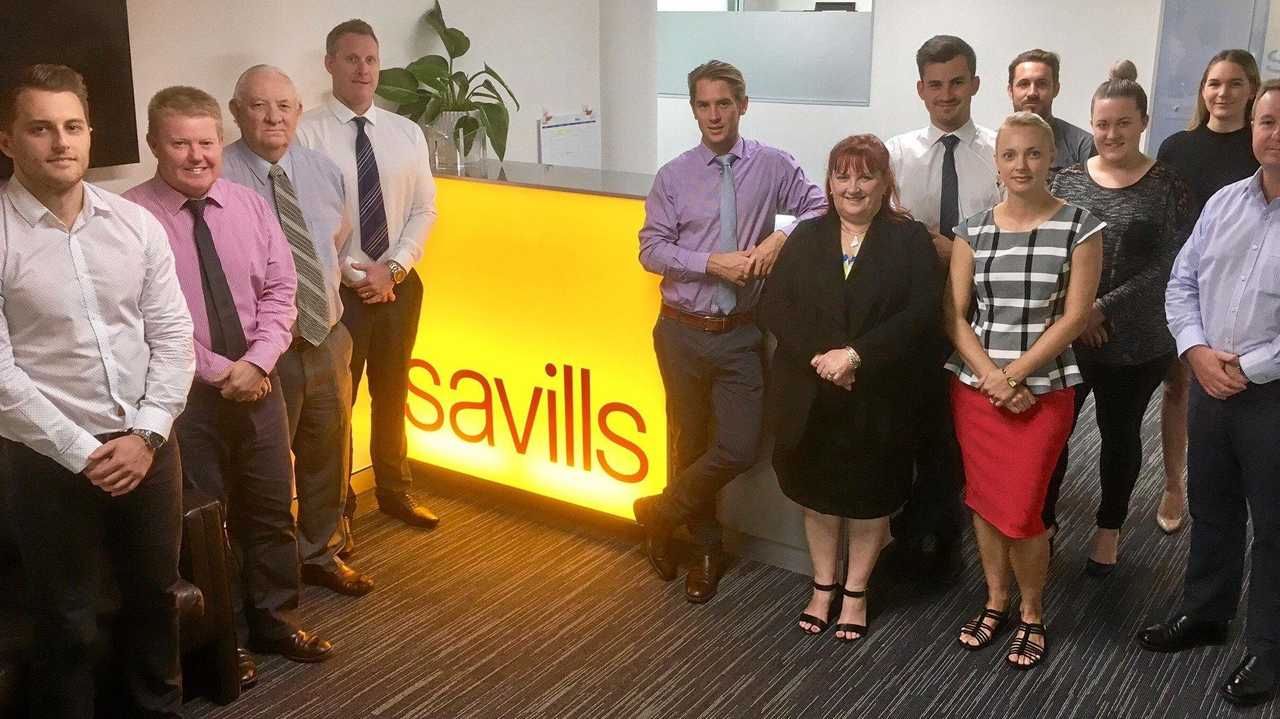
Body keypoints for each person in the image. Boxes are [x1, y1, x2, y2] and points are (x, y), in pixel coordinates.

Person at [0, 64, 194, 719]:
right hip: (47, 460)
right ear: (8, 141)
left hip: (148, 447)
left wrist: (145, 434)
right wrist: (84, 449)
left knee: (155, 600)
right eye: (41, 127)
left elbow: (173, 333)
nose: (61, 141)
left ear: (90, 133)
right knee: (69, 619)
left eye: (73, 125)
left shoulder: (134, 225)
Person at [125, 86, 335, 685]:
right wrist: (223, 372)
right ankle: (223, 643)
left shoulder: (250, 204)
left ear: (221, 141)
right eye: (180, 142)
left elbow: (281, 290)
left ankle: (275, 619)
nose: (196, 155)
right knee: (204, 526)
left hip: (260, 382)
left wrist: (261, 362)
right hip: (181, 397)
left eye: (206, 141)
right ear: (154, 144)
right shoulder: (131, 218)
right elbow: (143, 316)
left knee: (270, 506)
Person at [634, 59, 826, 603]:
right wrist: (711, 262)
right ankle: (705, 547)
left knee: (740, 447)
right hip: (680, 330)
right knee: (687, 442)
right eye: (703, 104)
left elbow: (818, 207)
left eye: (724, 103)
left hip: (740, 332)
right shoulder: (674, 175)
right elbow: (650, 250)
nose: (714, 114)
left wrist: (776, 241)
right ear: (692, 108)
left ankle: (657, 511)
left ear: (742, 105)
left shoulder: (772, 165)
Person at [760, 134, 939, 641]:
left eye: (866, 175)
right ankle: (822, 586)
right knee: (817, 496)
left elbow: (921, 314)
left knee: (869, 497)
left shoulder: (909, 239)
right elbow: (775, 306)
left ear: (886, 182)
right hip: (812, 391)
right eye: (843, 175)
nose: (854, 186)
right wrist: (824, 357)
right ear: (830, 182)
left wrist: (857, 356)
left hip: (878, 393)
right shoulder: (808, 235)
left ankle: (856, 591)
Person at [1140, 78, 1280, 709]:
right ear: (1253, 129)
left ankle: (1270, 649)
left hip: (1271, 395)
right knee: (1214, 507)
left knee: (1275, 528)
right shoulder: (1225, 201)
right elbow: (1182, 281)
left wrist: (1249, 367)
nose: (1274, 135)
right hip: (1209, 382)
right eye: (1268, 122)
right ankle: (1207, 613)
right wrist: (1196, 350)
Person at [945, 111, 1103, 669]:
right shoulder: (971, 229)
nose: (1021, 165)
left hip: (1045, 391)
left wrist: (1012, 376)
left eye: (1033, 154)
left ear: (1052, 159)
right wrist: (992, 377)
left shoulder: (1080, 225)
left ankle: (1032, 612)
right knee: (985, 506)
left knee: (1025, 510)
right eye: (1010, 154)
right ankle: (995, 601)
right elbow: (955, 317)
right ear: (997, 161)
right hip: (977, 390)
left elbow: (1076, 316)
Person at [223, 64, 374, 597]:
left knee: (329, 451)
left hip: (326, 335)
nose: (273, 117)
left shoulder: (323, 169)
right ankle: (261, 575)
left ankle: (322, 551)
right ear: (236, 110)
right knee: (263, 467)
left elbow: (335, 248)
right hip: (263, 350)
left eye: (284, 107)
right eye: (259, 106)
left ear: (298, 113)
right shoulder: (216, 179)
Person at [1042, 61, 1195, 573]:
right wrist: (1076, 312)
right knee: (1053, 433)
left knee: (1121, 434)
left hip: (1137, 340)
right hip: (1067, 335)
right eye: (1102, 124)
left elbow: (1170, 264)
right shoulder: (1063, 181)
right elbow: (1048, 254)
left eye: (1123, 123)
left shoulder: (1167, 186)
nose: (1111, 134)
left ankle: (1109, 530)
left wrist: (1099, 308)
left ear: (1143, 123)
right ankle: (1045, 522)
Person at [297, 19, 440, 546]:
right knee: (337, 403)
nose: (363, 69)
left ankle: (395, 490)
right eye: (351, 58)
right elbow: (306, 222)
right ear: (330, 64)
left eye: (371, 60)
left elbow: (425, 210)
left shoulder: (407, 132)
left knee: (393, 391)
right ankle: (340, 505)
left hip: (400, 286)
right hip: (340, 295)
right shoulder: (306, 134)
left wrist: (394, 269)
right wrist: (359, 275)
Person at [885, 35, 1002, 580]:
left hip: (984, 313)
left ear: (975, 84)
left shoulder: (1002, 153)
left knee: (964, 428)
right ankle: (918, 529)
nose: (947, 94)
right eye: (935, 84)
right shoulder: (894, 154)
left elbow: (1014, 239)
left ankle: (943, 533)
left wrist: (950, 249)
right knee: (918, 420)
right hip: (913, 312)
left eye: (957, 82)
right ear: (920, 90)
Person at [1152, 49, 1260, 535]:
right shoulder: (1177, 146)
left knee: (1241, 394)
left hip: (1247, 293)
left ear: (1251, 91)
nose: (1223, 93)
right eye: (1214, 83)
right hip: (1188, 289)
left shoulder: (1260, 148)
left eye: (1235, 84)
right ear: (1202, 90)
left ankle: (1234, 487)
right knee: (1181, 387)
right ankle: (1175, 483)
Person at [1006, 48, 1095, 171]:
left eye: (1042, 84)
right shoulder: (993, 145)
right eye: (1024, 84)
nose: (1032, 93)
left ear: (1056, 89)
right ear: (1010, 91)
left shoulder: (1083, 146)